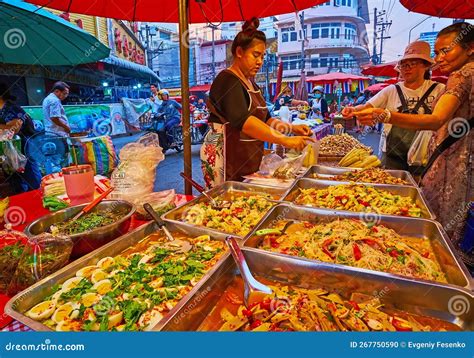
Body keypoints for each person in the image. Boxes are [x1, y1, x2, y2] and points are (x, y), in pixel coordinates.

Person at [351, 22, 473, 250]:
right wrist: (354, 111)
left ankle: (431, 254)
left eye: (446, 50)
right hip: (398, 157)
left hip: (441, 160)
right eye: (438, 53)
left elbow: (436, 120)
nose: (441, 57)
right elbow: (364, 109)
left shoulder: (455, 80)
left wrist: (385, 115)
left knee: (436, 218)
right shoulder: (392, 90)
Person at [201, 18, 314, 188]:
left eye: (262, 56)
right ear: (239, 52)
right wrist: (286, 140)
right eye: (256, 55)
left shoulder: (250, 82)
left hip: (246, 158)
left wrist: (291, 128)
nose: (260, 61)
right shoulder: (227, 80)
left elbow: (266, 118)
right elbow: (244, 122)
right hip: (225, 158)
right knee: (226, 205)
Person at [342, 41, 445, 171]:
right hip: (393, 154)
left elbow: (440, 120)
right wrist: (353, 110)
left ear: (425, 66)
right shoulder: (391, 90)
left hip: (425, 154)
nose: (407, 68)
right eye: (403, 65)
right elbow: (367, 106)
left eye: (412, 64)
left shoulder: (439, 90)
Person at [0, 83, 41, 193]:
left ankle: (38, 199)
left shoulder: (11, 108)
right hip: (10, 153)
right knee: (15, 181)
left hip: (24, 148)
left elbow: (13, 129)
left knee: (31, 178)